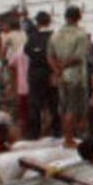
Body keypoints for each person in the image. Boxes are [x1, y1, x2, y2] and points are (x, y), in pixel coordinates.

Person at [48, 6, 89, 148]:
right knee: (73, 108)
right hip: (75, 76)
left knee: (64, 108)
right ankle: (70, 140)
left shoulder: (55, 34)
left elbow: (50, 56)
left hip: (61, 77)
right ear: (79, 17)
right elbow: (78, 57)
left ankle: (67, 137)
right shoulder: (81, 34)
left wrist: (57, 70)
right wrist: (64, 66)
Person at [25, 11, 60, 139]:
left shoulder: (32, 37)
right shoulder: (54, 37)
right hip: (51, 73)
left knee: (35, 105)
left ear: (37, 22)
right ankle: (57, 132)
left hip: (35, 74)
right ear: (49, 21)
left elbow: (27, 51)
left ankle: (34, 134)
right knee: (54, 104)